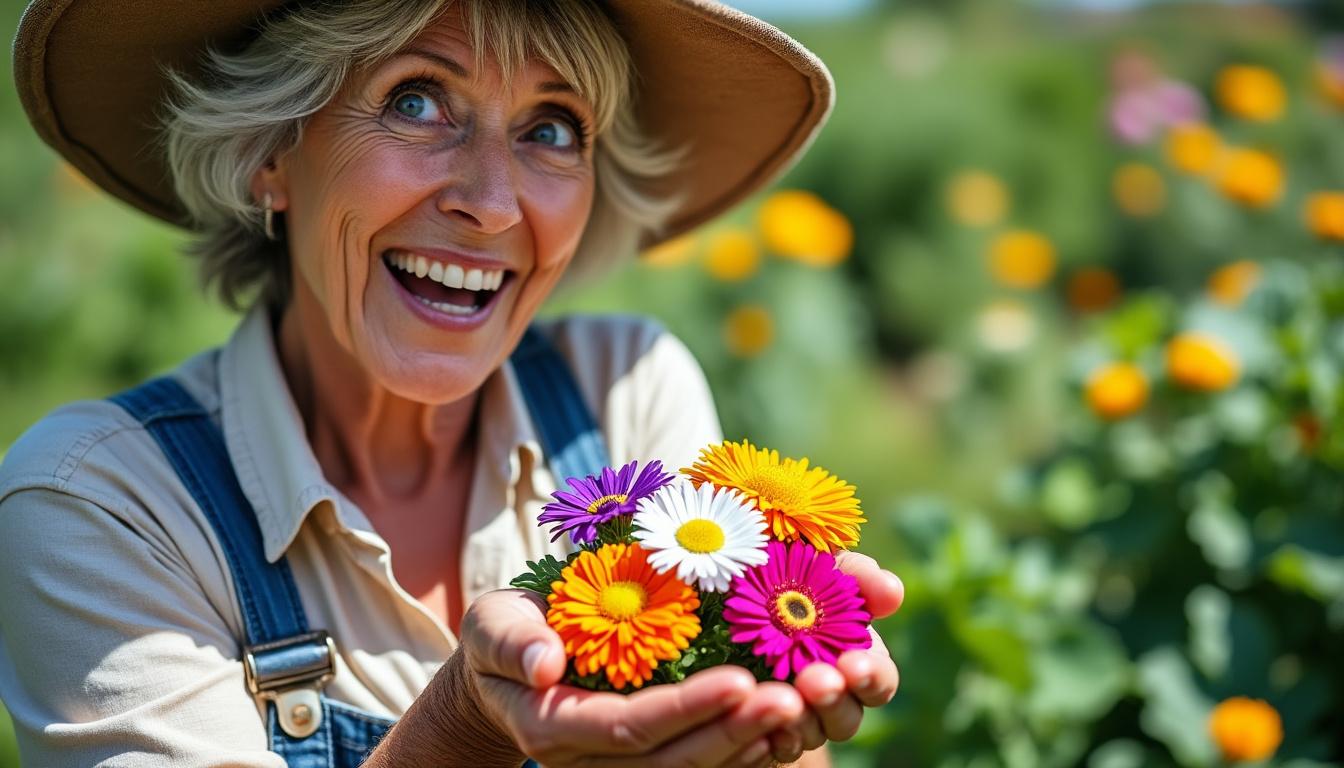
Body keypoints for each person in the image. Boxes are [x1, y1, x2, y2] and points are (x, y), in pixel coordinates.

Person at [1, 0, 904, 766]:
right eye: (418, 102)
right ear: (270, 151)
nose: (493, 201)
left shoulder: (624, 393)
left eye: (550, 129)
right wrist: (466, 727)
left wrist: (763, 704)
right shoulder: (100, 505)